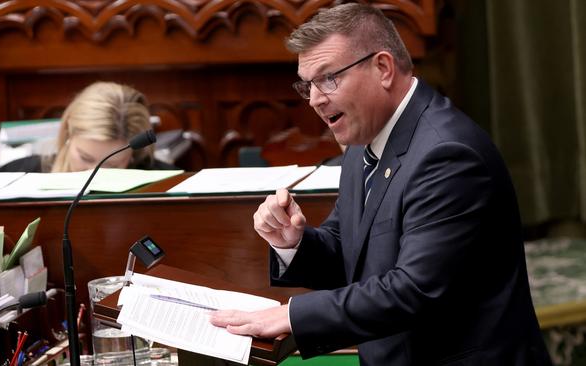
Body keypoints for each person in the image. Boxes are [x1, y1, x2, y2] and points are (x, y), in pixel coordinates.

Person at [210, 3, 551, 365]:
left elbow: (414, 290)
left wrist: (292, 315)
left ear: (383, 68)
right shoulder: (365, 141)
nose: (313, 99)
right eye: (307, 84)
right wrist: (293, 243)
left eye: (328, 78)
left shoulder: (448, 155)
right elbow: (351, 253)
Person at [0, 81, 176, 172]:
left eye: (112, 166)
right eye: (85, 158)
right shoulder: (17, 175)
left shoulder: (165, 183)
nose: (93, 175)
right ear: (68, 133)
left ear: (133, 154)